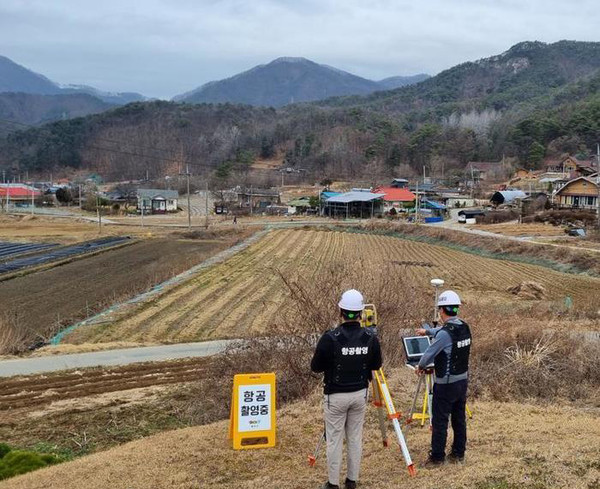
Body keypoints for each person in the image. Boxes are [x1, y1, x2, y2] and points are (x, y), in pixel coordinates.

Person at [311, 289, 383, 489]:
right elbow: (376, 365)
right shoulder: (370, 337)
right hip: (359, 394)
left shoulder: (330, 338)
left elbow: (315, 367)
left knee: (334, 440)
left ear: (340, 311)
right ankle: (352, 480)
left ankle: (333, 484)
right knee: (354, 438)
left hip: (335, 396)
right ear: (361, 313)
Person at [416, 290, 472, 466]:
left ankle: (437, 458)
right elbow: (443, 331)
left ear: (441, 311)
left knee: (440, 421)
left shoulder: (444, 334)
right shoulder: (464, 326)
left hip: (446, 384)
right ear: (456, 309)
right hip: (462, 381)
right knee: (458, 419)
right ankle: (458, 454)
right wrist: (427, 331)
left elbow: (428, 355)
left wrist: (420, 366)